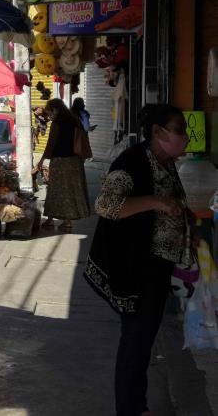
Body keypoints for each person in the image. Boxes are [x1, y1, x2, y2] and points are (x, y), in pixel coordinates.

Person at [84, 104, 194, 416]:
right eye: (180, 131)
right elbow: (106, 205)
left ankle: (137, 405)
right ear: (159, 134)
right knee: (135, 343)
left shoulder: (165, 161)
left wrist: (187, 232)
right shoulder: (131, 162)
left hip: (156, 266)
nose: (185, 138)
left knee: (143, 342)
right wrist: (156, 202)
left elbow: (174, 206)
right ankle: (130, 409)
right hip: (134, 269)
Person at [33, 99, 90, 232]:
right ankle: (67, 221)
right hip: (75, 161)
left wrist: (41, 162)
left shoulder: (57, 123)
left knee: (55, 190)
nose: (50, 115)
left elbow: (50, 145)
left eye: (49, 112)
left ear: (55, 109)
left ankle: (50, 220)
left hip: (60, 161)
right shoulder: (74, 120)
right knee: (69, 191)